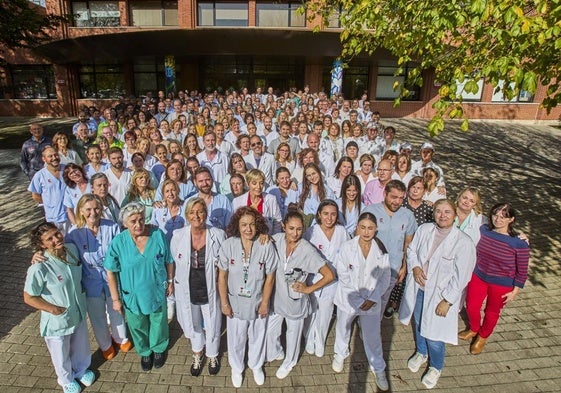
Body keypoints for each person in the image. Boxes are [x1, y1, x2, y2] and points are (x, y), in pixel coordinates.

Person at [398, 199, 476, 389]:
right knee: (418, 322)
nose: (442, 215)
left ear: (455, 215)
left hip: (441, 297)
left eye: (447, 212)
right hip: (420, 289)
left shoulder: (463, 242)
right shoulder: (425, 230)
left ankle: (435, 366)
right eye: (439, 211)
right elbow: (412, 249)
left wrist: (447, 301)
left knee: (435, 336)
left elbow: (462, 276)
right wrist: (415, 268)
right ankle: (421, 352)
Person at [24, 222, 96, 393]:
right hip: (57, 318)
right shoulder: (39, 266)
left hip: (77, 310)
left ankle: (81, 370)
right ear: (42, 245)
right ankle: (65, 378)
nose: (57, 239)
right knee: (60, 351)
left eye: (57, 234)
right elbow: (28, 297)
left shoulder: (71, 249)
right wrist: (52, 309)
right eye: (49, 239)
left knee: (80, 344)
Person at [104, 202, 174, 371]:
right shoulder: (118, 242)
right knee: (137, 324)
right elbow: (110, 271)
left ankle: (158, 348)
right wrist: (115, 299)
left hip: (156, 288)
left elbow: (169, 260)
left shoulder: (157, 235)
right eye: (133, 221)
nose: (138, 224)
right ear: (124, 223)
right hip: (132, 293)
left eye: (141, 219)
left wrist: (170, 281)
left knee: (158, 321)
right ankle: (144, 351)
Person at [267, 209, 335, 379]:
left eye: (299, 229)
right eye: (291, 228)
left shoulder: (307, 250)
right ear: (283, 226)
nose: (295, 233)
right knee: (270, 331)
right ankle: (276, 352)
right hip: (277, 299)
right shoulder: (276, 240)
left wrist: (308, 289)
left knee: (293, 335)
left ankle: (290, 361)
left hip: (295, 302)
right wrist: (263, 236)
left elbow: (329, 275)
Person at [217, 207, 278, 388]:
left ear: (258, 225)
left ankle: (256, 365)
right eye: (244, 225)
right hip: (235, 303)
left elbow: (270, 277)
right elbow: (222, 276)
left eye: (252, 224)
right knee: (236, 337)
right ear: (237, 225)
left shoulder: (265, 244)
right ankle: (237, 367)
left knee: (258, 336)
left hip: (258, 301)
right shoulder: (228, 245)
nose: (248, 229)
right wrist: (224, 303)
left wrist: (265, 302)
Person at [66, 194, 131, 360]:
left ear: (101, 209)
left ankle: (120, 337)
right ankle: (105, 344)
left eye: (96, 208)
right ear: (81, 211)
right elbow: (60, 251)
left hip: (112, 277)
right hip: (90, 280)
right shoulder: (74, 233)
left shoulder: (112, 226)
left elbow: (122, 251)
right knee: (97, 314)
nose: (93, 212)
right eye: (88, 209)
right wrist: (39, 253)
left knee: (116, 309)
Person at [459, 203, 530, 355]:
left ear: (511, 219)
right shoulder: (484, 230)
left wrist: (515, 290)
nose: (498, 219)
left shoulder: (519, 243)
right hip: (479, 275)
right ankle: (474, 328)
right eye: (495, 215)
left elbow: (522, 270)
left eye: (503, 217)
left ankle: (483, 336)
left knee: (492, 311)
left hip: (502, 283)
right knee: (471, 305)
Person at [331, 212, 391, 391]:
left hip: (371, 302)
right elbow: (342, 274)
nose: (366, 232)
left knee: (372, 336)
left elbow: (385, 277)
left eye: (370, 228)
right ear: (357, 227)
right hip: (349, 299)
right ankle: (340, 354)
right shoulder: (347, 247)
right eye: (363, 227)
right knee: (343, 328)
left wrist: (372, 298)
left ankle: (378, 367)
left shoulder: (381, 250)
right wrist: (358, 300)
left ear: (376, 229)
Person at [170, 198, 227, 376]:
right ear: (186, 215)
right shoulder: (178, 235)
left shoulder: (218, 234)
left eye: (200, 211)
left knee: (213, 322)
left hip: (210, 286)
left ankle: (212, 354)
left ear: (206, 213)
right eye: (192, 212)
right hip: (188, 287)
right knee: (193, 323)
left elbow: (223, 265)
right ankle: (197, 352)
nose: (197, 215)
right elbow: (176, 260)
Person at [363, 180, 417, 310]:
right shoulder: (371, 211)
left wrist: (404, 266)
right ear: (385, 194)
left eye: (400, 198)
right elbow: (360, 239)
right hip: (370, 267)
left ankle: (376, 327)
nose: (397, 202)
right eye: (393, 197)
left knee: (382, 302)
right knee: (365, 302)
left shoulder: (408, 216)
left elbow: (408, 243)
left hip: (393, 268)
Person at [304, 200, 348, 358]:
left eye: (333, 214)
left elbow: (346, 254)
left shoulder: (342, 232)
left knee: (326, 312)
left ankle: (320, 340)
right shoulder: (311, 232)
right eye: (325, 214)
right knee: (312, 310)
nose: (329, 218)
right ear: (319, 215)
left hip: (333, 281)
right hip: (314, 278)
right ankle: (309, 338)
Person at [28, 146, 69, 235]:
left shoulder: (67, 170)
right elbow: (35, 195)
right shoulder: (39, 176)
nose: (54, 158)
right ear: (44, 159)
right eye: (50, 156)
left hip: (71, 216)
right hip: (53, 218)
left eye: (56, 155)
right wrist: (50, 203)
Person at [232, 169, 282, 235]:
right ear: (247, 183)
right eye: (254, 183)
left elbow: (277, 222)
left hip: (267, 239)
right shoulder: (237, 201)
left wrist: (274, 239)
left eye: (261, 183)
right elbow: (235, 225)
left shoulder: (271, 199)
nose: (258, 187)